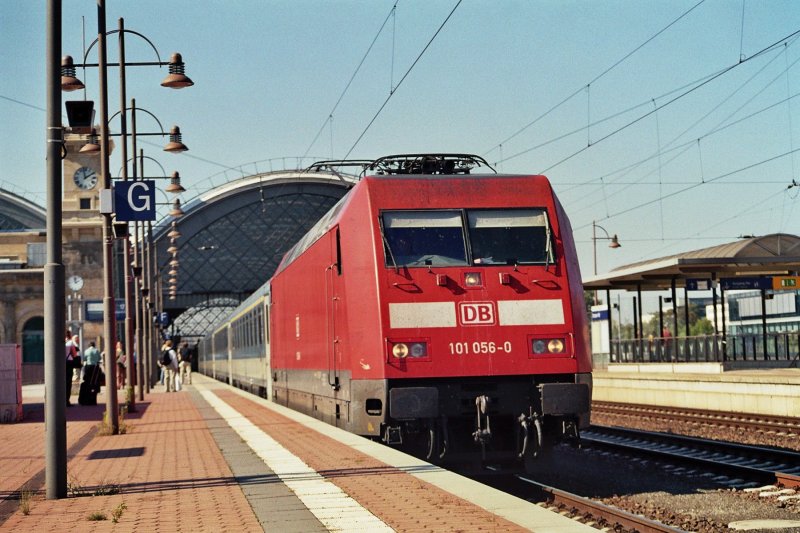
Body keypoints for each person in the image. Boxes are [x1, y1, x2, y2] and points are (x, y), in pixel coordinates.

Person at [64, 330, 78, 406]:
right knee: (68, 382)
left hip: (59, 364)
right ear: (69, 335)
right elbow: (75, 354)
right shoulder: (70, 342)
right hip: (69, 363)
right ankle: (66, 401)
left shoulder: (58, 342)